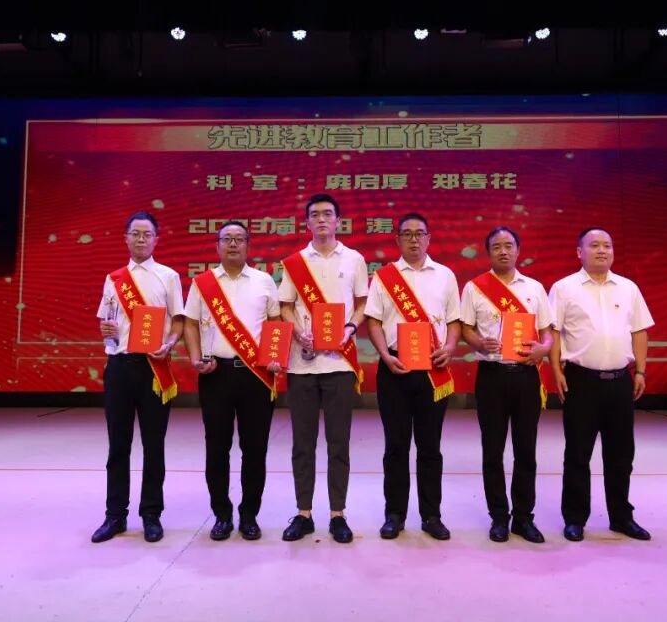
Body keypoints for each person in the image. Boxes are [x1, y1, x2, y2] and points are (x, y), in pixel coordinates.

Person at [548, 227, 654, 542]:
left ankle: (621, 517)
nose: (602, 250)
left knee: (621, 454)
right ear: (579, 252)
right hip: (581, 380)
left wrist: (640, 371)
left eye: (607, 245)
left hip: (620, 381)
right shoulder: (564, 288)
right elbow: (553, 332)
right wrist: (556, 370)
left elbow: (639, 331)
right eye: (594, 245)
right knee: (578, 453)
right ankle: (575, 518)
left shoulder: (628, 288)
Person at [183, 222, 283, 541]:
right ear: (217, 245)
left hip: (256, 376)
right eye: (227, 239)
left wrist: (275, 357)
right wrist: (196, 358)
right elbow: (189, 324)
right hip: (216, 375)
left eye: (239, 239)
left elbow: (276, 323)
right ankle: (222, 515)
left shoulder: (264, 281)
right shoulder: (203, 283)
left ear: (248, 245)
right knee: (217, 448)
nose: (233, 244)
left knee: (254, 449)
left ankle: (249, 515)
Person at [277, 193, 368, 544]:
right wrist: (297, 332)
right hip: (302, 364)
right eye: (314, 215)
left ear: (338, 221)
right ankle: (303, 514)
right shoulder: (295, 262)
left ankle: (337, 515)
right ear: (307, 222)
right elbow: (286, 306)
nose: (321, 219)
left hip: (340, 363)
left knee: (338, 442)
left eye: (328, 214)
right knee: (303, 443)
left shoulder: (354, 259)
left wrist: (349, 329)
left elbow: (362, 304)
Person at [365, 213, 460, 541]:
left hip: (433, 370)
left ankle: (431, 515)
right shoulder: (384, 277)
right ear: (397, 240)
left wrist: (450, 347)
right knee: (396, 446)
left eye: (420, 233)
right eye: (407, 234)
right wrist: (384, 355)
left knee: (430, 447)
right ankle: (394, 514)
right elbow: (373, 321)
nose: (414, 239)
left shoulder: (445, 275)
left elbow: (455, 320)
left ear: (429, 238)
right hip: (395, 368)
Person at [91, 211, 184, 544]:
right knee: (118, 445)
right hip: (119, 367)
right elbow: (106, 321)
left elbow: (179, 322)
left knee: (153, 445)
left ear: (156, 239)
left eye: (147, 234)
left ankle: (151, 514)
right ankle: (115, 515)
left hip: (153, 369)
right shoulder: (114, 278)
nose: (141, 239)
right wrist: (105, 329)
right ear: (126, 238)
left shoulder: (168, 276)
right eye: (135, 233)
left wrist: (169, 344)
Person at [460, 226, 554, 543]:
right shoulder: (475, 288)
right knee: (493, 450)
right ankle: (499, 517)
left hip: (526, 376)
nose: (503, 251)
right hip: (492, 376)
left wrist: (543, 349)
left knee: (526, 450)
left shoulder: (534, 288)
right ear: (488, 252)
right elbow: (466, 328)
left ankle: (524, 518)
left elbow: (548, 332)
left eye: (509, 245)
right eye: (497, 246)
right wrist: (478, 342)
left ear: (518, 250)